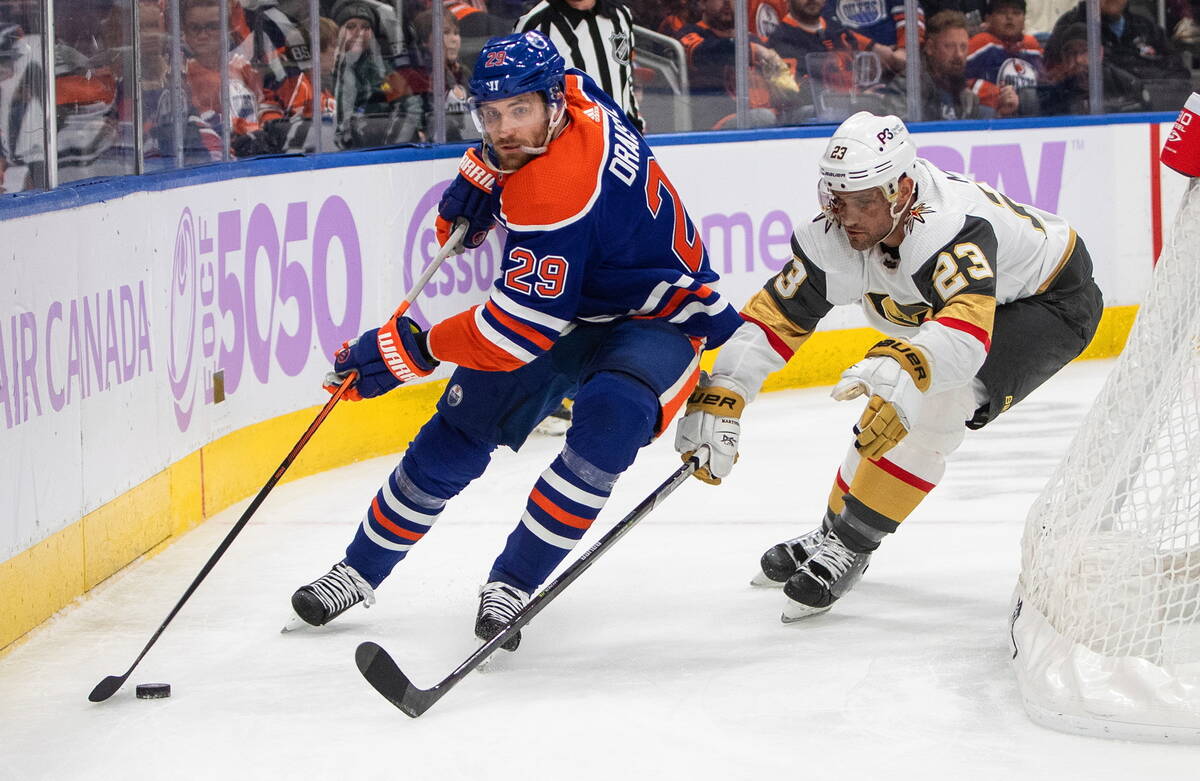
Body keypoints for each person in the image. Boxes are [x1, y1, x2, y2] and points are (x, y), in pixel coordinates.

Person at [290, 31, 742, 650]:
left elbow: (515, 333)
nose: (505, 128)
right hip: (574, 301)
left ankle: (513, 582)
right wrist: (483, 170)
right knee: (459, 429)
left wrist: (412, 350)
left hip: (655, 316)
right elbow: (518, 150)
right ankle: (357, 570)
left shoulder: (553, 190)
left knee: (607, 424)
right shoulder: (580, 94)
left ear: (552, 104)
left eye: (519, 112)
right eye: (491, 114)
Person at [674, 111, 1103, 621]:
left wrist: (910, 367)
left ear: (901, 190)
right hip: (972, 309)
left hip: (1048, 302)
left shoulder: (947, 228)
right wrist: (726, 391)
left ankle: (853, 543)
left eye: (863, 201)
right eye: (836, 200)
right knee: (895, 400)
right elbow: (775, 318)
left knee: (935, 402)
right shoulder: (835, 235)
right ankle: (834, 528)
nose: (847, 217)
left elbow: (966, 337)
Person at [515, 0, 642, 130]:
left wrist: (635, 124)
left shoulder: (621, 14)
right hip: (567, 141)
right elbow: (520, 96)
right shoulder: (534, 24)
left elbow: (625, 74)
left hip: (620, 139)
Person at [870, 9, 1015, 120]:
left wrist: (1001, 115)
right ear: (930, 48)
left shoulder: (967, 98)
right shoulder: (907, 88)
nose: (958, 55)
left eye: (963, 47)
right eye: (949, 46)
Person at [965, 0, 1042, 115]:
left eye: (1016, 13)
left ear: (1024, 19)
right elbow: (958, 82)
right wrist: (997, 94)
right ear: (988, 19)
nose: (1009, 17)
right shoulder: (980, 43)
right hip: (992, 118)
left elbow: (1046, 85)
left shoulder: (1032, 47)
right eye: (1002, 12)